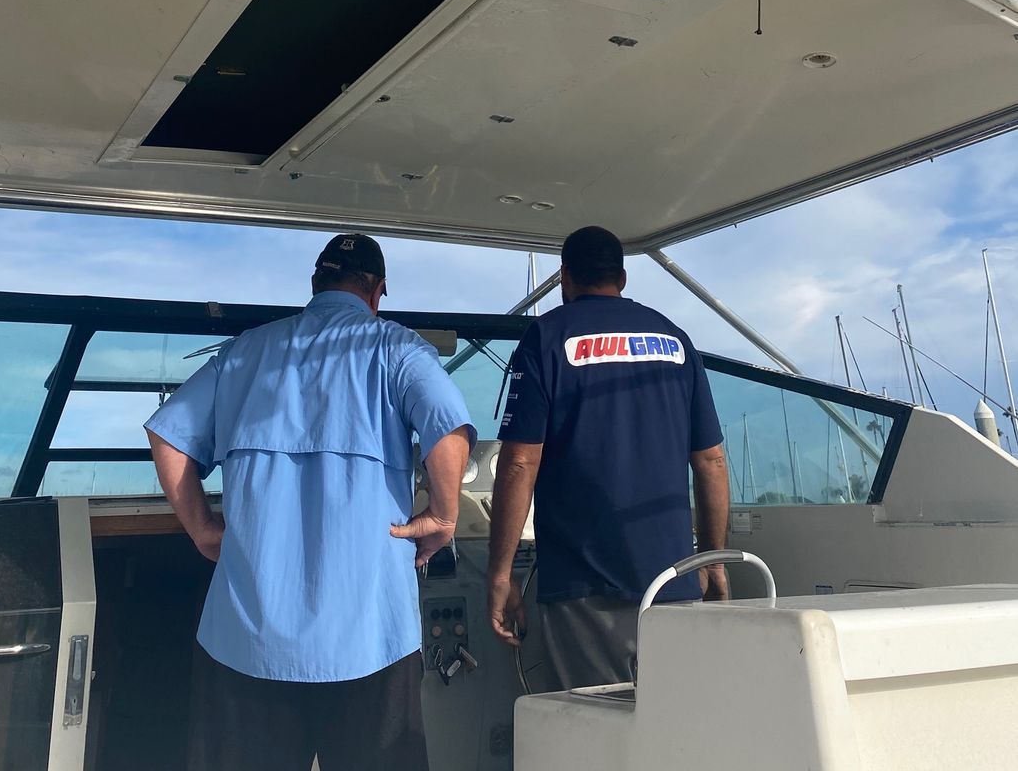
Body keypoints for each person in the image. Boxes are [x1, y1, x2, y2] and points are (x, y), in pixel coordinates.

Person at [146, 232, 475, 771]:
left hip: (246, 640)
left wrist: (203, 528)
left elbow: (169, 436)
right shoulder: (395, 347)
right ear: (377, 291)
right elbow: (447, 429)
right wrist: (443, 515)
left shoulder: (247, 349)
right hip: (369, 639)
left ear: (315, 284)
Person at [487, 225, 729, 690]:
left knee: (595, 733)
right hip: (674, 581)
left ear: (564, 278)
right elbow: (711, 462)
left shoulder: (546, 338)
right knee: (673, 729)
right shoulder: (676, 340)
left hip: (585, 589)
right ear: (622, 277)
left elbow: (519, 462)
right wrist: (712, 562)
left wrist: (500, 574)